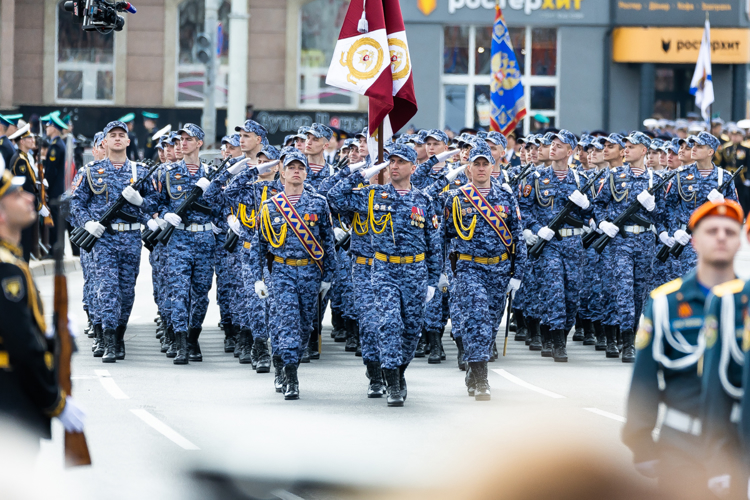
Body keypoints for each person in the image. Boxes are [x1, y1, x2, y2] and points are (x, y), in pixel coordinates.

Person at [623, 199, 744, 498]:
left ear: (740, 241)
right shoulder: (665, 302)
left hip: (734, 447)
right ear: (694, 241)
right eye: (711, 230)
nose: (720, 237)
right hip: (681, 444)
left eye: (729, 231)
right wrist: (641, 442)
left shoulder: (746, 303)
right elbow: (645, 377)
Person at [328, 145, 441, 407]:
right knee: (390, 324)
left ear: (414, 167)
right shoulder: (373, 195)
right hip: (384, 270)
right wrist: (363, 173)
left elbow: (433, 243)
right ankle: (390, 381)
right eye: (391, 161)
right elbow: (334, 197)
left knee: (411, 329)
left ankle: (398, 372)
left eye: (401, 162)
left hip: (415, 271)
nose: (395, 166)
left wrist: (434, 280)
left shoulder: (423, 200)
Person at [0, 168, 85, 446]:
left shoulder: (10, 260)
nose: (28, 198)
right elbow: (20, 346)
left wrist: (50, 339)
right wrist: (55, 402)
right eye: (16, 194)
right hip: (10, 404)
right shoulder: (5, 268)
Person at [442, 140, 526, 400]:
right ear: (468, 168)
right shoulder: (456, 198)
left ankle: (473, 369)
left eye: (484, 164)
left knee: (489, 325)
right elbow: (443, 238)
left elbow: (517, 237)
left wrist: (518, 273)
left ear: (493, 166)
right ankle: (482, 381)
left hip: (499, 269)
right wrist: (443, 271)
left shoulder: (506, 196)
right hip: (468, 268)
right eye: (475, 164)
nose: (480, 168)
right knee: (477, 318)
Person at [250, 149, 336, 400]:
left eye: (301, 167)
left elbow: (327, 242)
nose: (296, 171)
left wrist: (329, 276)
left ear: (306, 173)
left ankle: (283, 361)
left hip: (310, 271)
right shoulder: (269, 206)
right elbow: (259, 245)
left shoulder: (319, 203)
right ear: (283, 172)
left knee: (304, 326)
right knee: (285, 321)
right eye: (291, 167)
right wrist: (258, 278)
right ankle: (290, 375)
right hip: (282, 271)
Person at [70, 120, 156, 363]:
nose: (117, 138)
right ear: (105, 141)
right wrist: (87, 223)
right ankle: (108, 341)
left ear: (128, 141)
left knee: (126, 291)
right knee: (107, 288)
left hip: (130, 238)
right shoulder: (89, 171)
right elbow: (76, 203)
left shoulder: (140, 172)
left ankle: (119, 336)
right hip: (103, 239)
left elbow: (155, 207)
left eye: (121, 135)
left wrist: (140, 202)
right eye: (112, 135)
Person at [158, 124, 215, 365]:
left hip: (204, 239)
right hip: (179, 239)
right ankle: (181, 342)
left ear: (199, 143)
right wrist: (163, 216)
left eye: (189, 139)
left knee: (201, 293)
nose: (183, 143)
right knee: (178, 292)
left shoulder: (212, 173)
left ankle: (193, 338)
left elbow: (221, 206)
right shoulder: (168, 173)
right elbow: (156, 203)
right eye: (181, 139)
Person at [8, 124, 47, 261]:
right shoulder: (20, 160)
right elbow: (25, 188)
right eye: (29, 138)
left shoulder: (23, 157)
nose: (33, 140)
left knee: (28, 241)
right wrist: (38, 205)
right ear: (22, 142)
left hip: (26, 205)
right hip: (22, 206)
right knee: (24, 243)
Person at [43, 113, 68, 253]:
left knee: (55, 219)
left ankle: (56, 249)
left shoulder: (55, 147)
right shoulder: (58, 144)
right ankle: (57, 248)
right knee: (57, 218)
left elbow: (51, 172)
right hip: (59, 188)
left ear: (54, 128)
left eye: (49, 126)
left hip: (55, 189)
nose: (47, 128)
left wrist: (46, 187)